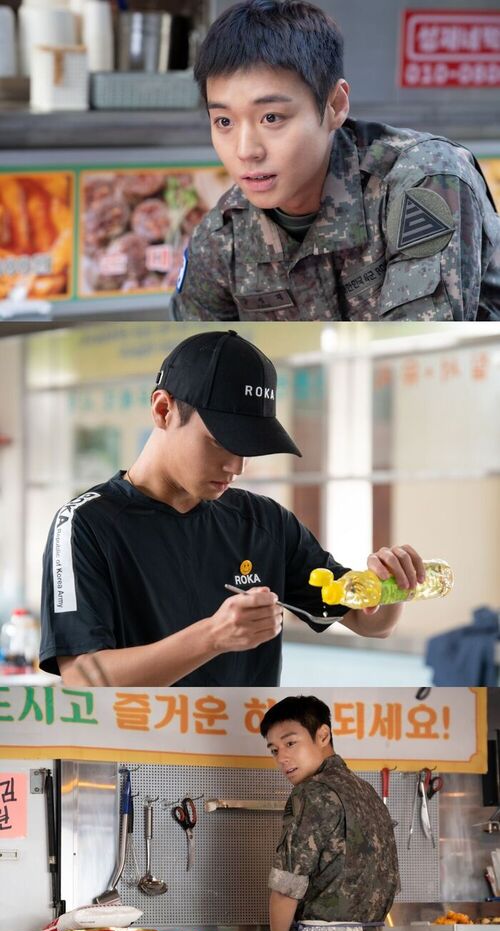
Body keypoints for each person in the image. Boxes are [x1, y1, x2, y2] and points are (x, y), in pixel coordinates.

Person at [39, 329, 426, 686]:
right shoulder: (86, 524)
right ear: (163, 410)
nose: (237, 467)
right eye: (220, 442)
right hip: (140, 740)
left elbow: (369, 623)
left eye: (248, 447)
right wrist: (213, 636)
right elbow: (82, 678)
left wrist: (392, 587)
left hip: (250, 740)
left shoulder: (265, 523)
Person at [171, 0, 500, 323]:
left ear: (335, 105)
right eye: (224, 122)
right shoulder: (220, 242)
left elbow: (419, 343)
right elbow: (200, 345)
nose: (246, 151)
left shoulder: (422, 181)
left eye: (271, 117)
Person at [260, 695, 399, 931]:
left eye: (290, 743)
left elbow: (287, 885)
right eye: (274, 750)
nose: (282, 758)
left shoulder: (311, 792)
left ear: (323, 735)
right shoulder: (366, 790)